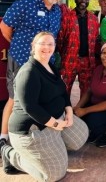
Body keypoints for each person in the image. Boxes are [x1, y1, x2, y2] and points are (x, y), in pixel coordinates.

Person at [0, 32, 88, 181]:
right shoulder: (28, 72)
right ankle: (10, 155)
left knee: (81, 136)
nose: (47, 47)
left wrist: (68, 110)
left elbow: (62, 90)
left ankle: (53, 147)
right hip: (32, 129)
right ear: (33, 46)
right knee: (53, 175)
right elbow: (30, 107)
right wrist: (54, 123)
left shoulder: (50, 66)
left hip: (56, 119)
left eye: (50, 44)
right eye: (42, 43)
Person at [0, 0, 65, 148]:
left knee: (38, 99)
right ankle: (4, 138)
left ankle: (33, 137)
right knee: (15, 99)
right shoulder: (26, 4)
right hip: (21, 59)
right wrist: (17, 44)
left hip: (45, 64)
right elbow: (5, 26)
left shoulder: (57, 11)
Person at [73, 41, 106, 147]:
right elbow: (89, 91)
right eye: (103, 53)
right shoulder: (98, 69)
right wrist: (78, 106)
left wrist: (85, 110)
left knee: (92, 120)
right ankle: (96, 130)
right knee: (76, 116)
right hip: (95, 104)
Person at [57, 0, 99, 97]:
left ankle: (82, 112)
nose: (83, 1)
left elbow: (96, 39)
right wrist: (65, 54)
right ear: (75, 0)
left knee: (86, 90)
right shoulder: (67, 17)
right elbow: (61, 38)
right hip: (69, 58)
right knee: (64, 87)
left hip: (87, 60)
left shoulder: (94, 19)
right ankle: (64, 111)